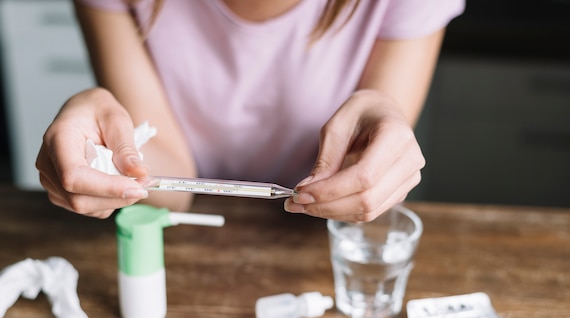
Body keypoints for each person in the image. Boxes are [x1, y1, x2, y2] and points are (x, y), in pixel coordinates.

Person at [37, 0, 464, 221]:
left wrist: (379, 131)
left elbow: (370, 170)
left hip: (319, 243)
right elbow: (168, 181)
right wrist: (106, 157)